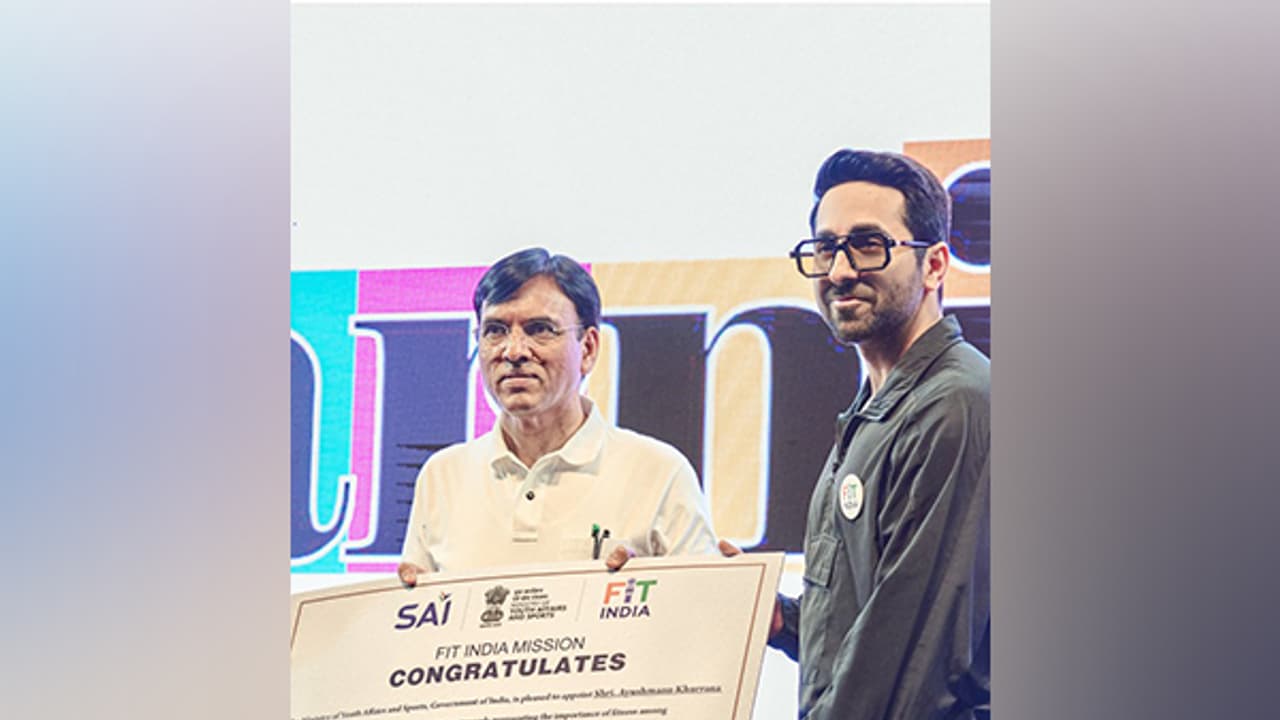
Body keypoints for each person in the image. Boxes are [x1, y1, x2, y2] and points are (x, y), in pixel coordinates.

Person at [764, 148, 991, 718]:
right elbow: (866, 630)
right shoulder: (880, 407)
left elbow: (913, 667)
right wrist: (780, 618)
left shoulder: (955, 404)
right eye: (826, 248)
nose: (841, 271)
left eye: (869, 244)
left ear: (934, 265)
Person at [397, 247, 717, 584]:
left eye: (540, 329)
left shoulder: (659, 472)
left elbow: (705, 606)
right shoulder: (442, 476)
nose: (514, 351)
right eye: (495, 330)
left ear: (588, 349)